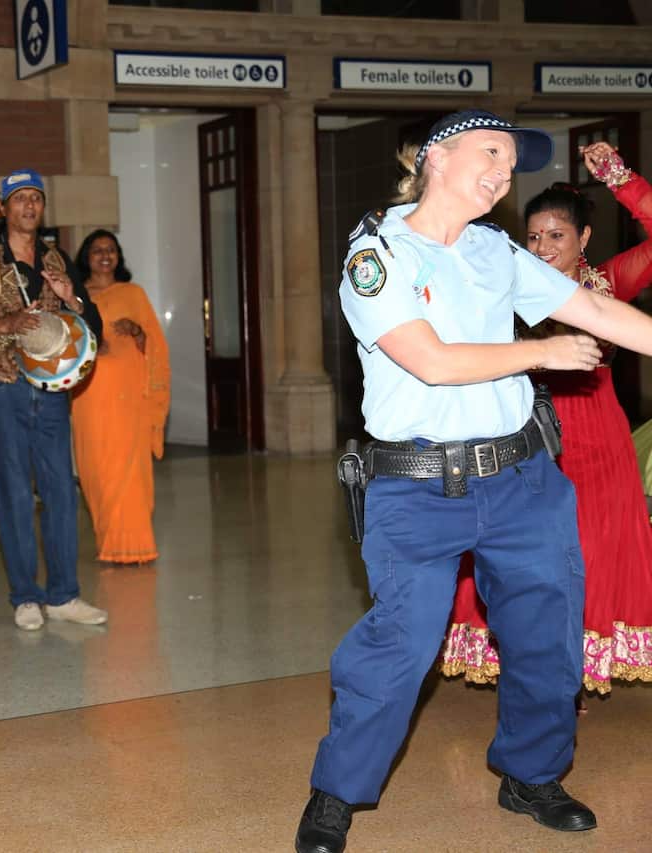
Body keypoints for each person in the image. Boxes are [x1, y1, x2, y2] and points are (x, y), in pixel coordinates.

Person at [295, 109, 652, 853]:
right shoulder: (379, 255)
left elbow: (590, 307)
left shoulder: (496, 251)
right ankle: (336, 790)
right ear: (436, 157)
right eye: (490, 151)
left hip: (523, 477)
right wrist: (539, 354)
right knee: (399, 647)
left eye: (510, 159)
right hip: (418, 484)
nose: (503, 170)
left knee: (548, 639)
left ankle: (531, 773)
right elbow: (431, 360)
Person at [441, 142, 652, 694]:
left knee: (592, 550)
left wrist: (619, 178)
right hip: (525, 432)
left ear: (583, 238)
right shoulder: (508, 282)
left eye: (556, 236)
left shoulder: (606, 282)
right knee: (528, 556)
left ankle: (575, 672)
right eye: (533, 237)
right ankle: (536, 666)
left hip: (598, 435)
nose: (542, 248)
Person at [0, 168, 108, 630]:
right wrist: (1, 324)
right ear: (4, 207)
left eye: (36, 198)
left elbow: (95, 327)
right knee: (12, 493)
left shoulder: (57, 259)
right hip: (2, 388)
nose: (29, 206)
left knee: (59, 491)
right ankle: (25, 596)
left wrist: (73, 298)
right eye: (20, 199)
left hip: (52, 391)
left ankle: (64, 595)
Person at [70, 230, 170, 565]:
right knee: (97, 470)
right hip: (90, 396)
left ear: (118, 256)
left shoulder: (133, 293)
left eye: (110, 250)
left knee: (131, 472)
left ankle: (136, 547)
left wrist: (138, 332)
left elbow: (155, 346)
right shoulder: (76, 296)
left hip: (131, 398)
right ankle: (108, 543)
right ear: (87, 256)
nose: (104, 255)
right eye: (97, 250)